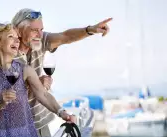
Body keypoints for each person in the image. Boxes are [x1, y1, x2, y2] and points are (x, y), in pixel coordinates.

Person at [11, 8, 112, 136]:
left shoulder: (39, 41)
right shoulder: (8, 55)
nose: (40, 35)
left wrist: (90, 30)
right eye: (34, 30)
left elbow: (65, 36)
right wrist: (34, 83)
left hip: (40, 124)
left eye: (41, 30)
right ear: (18, 31)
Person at [0, 23, 74, 137]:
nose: (17, 41)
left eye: (17, 38)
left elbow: (43, 95)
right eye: (11, 36)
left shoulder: (25, 70)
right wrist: (0, 104)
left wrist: (62, 113)